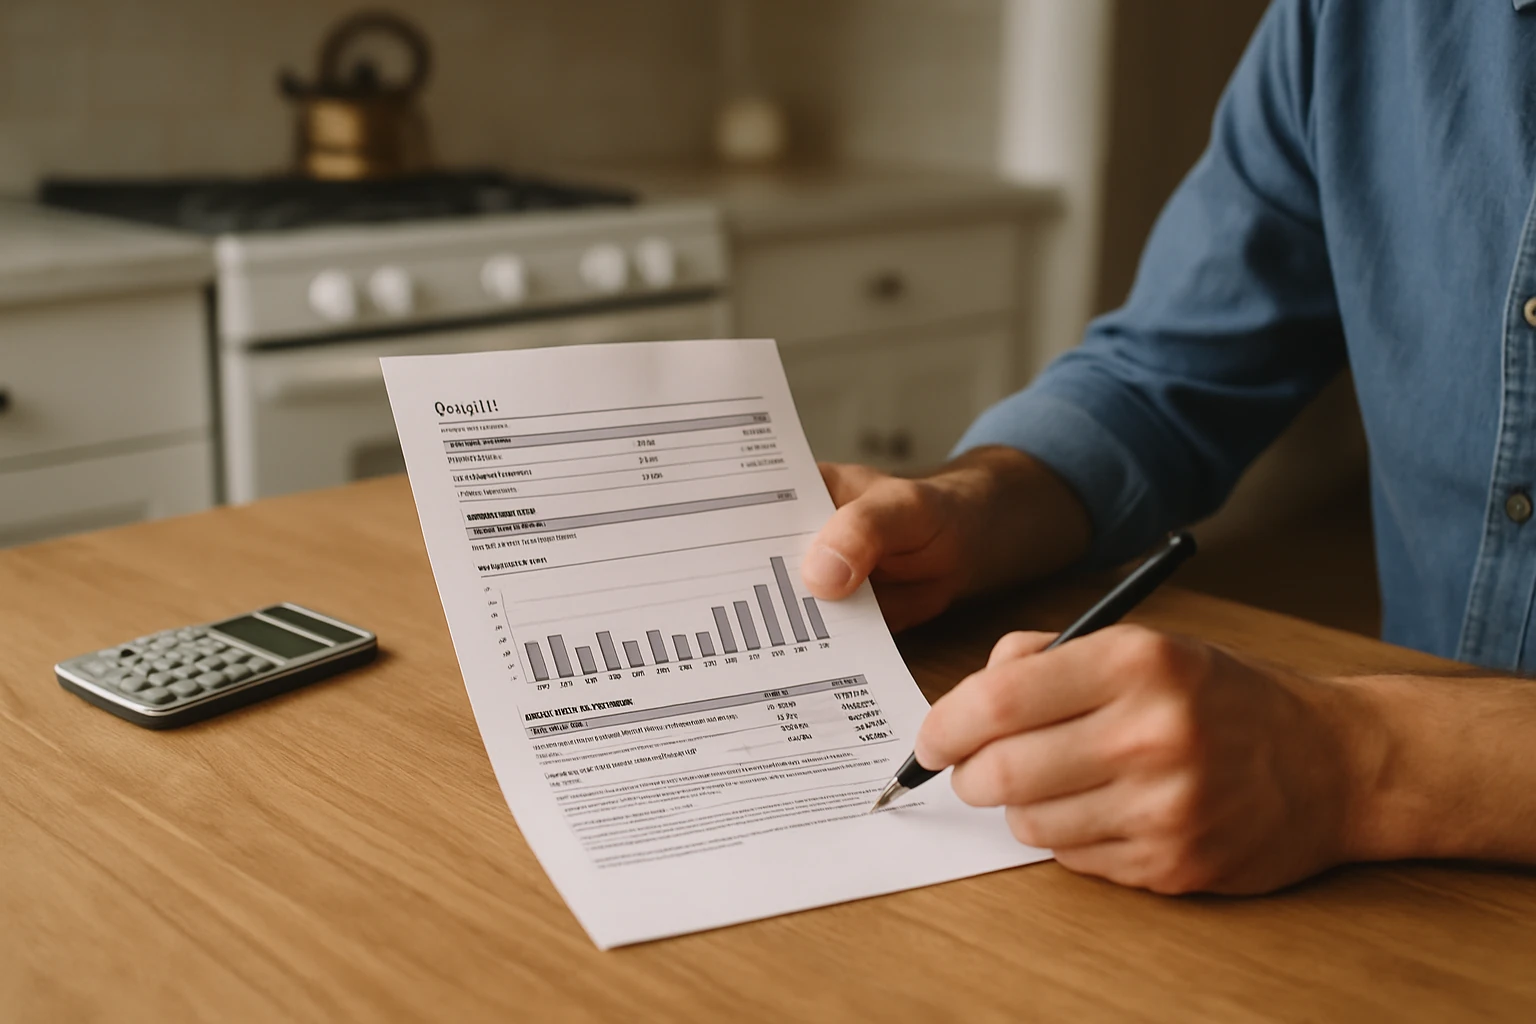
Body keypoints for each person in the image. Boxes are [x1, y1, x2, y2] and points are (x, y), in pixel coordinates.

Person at [800, 0, 1536, 895]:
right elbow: (1166, 372)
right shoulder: (1352, 19)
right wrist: (975, 504)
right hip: (1406, 897)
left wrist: (1358, 762)